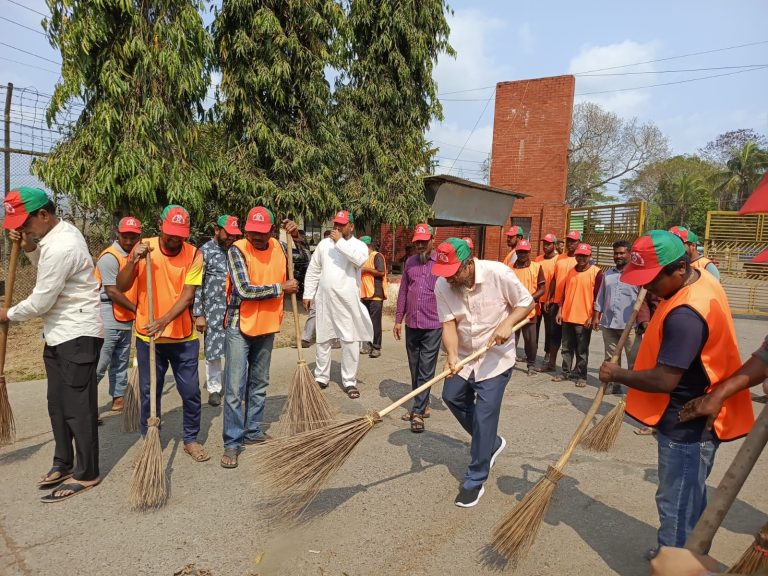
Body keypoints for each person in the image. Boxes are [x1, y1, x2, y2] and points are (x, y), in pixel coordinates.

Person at [598, 230, 753, 559]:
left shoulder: (686, 313)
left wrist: (617, 374)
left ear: (680, 269)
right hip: (697, 415)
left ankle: (674, 560)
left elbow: (666, 379)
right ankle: (686, 553)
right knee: (690, 498)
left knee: (677, 503)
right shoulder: (702, 281)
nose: (646, 287)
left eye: (652, 279)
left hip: (686, 423)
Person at [0, 187, 103, 502]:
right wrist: (30, 245)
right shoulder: (54, 237)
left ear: (43, 214)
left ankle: (87, 474)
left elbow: (42, 300)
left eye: (25, 223)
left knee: (78, 409)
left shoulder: (64, 245)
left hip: (78, 334)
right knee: (57, 405)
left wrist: (8, 313)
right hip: (58, 334)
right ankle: (64, 462)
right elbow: (43, 261)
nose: (21, 229)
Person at [433, 238, 534, 507]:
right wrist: (452, 356)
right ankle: (490, 442)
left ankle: (474, 479)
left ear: (469, 263)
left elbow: (527, 302)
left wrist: (508, 322)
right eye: (445, 273)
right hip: (466, 356)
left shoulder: (498, 273)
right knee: (451, 396)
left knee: (485, 414)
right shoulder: (442, 284)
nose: (449, 279)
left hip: (496, 359)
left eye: (454, 271)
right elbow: (449, 324)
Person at [117, 204, 210, 463]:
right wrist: (134, 259)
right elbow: (122, 285)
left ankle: (190, 439)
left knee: (191, 392)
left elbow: (188, 295)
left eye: (180, 235)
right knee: (150, 392)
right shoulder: (144, 248)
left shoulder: (194, 254)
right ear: (160, 226)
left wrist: (164, 320)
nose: (174, 239)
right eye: (170, 234)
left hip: (183, 338)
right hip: (150, 339)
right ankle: (150, 439)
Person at [220, 207, 299, 468]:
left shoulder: (279, 245)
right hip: (238, 326)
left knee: (259, 383)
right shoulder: (237, 250)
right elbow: (243, 290)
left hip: (266, 324)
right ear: (246, 230)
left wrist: (296, 238)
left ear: (271, 231)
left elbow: (299, 260)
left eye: (262, 233)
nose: (256, 237)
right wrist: (280, 288)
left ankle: (253, 431)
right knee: (234, 387)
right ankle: (232, 442)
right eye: (252, 232)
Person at [303, 210, 373, 398]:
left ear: (351, 226)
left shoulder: (359, 246)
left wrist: (339, 242)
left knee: (350, 340)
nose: (337, 227)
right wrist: (308, 293)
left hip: (347, 301)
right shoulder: (324, 245)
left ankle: (349, 381)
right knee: (323, 339)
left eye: (342, 224)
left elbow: (359, 261)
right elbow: (314, 269)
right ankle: (321, 377)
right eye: (336, 224)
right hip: (325, 300)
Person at [394, 223, 442, 433]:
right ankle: (422, 403)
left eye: (424, 241)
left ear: (432, 240)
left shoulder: (441, 262)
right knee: (415, 367)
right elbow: (404, 291)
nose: (421, 245)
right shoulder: (410, 263)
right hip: (412, 323)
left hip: (433, 324)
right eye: (417, 242)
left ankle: (418, 412)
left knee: (426, 368)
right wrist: (398, 319)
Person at [192, 215, 241, 407]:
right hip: (212, 311)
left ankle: (232, 386)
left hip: (235, 310)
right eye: (228, 234)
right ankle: (214, 388)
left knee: (235, 350)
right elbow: (196, 285)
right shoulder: (203, 252)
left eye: (235, 235)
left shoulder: (236, 251)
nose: (231, 238)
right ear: (216, 229)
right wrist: (199, 314)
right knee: (213, 352)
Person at [93, 216, 141, 413]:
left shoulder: (136, 255)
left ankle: (118, 398)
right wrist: (137, 310)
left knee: (121, 360)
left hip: (125, 316)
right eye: (125, 237)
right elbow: (112, 291)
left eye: (133, 237)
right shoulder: (110, 257)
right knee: (101, 362)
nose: (128, 241)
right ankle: (85, 403)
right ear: (118, 234)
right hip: (108, 314)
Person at [591, 240, 650, 394]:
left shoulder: (637, 275)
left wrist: (644, 320)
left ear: (630, 254)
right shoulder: (608, 274)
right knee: (610, 358)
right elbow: (601, 297)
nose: (618, 256)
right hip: (609, 323)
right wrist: (597, 316)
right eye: (616, 253)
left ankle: (634, 391)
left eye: (622, 253)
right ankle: (612, 385)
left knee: (633, 359)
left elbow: (645, 300)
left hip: (630, 326)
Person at [555, 243, 603, 387]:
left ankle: (582, 376)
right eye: (579, 255)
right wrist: (560, 310)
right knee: (566, 347)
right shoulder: (570, 271)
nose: (581, 258)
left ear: (590, 256)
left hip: (584, 319)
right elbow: (564, 293)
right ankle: (565, 372)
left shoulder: (596, 272)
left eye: (584, 255)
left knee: (582, 350)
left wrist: (593, 316)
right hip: (567, 316)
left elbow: (599, 297)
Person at [295, 230, 339, 350]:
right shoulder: (320, 251)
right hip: (318, 289)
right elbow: (313, 271)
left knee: (334, 313)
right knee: (314, 312)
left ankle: (336, 338)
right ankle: (305, 338)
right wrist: (308, 293)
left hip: (334, 290)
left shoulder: (339, 253)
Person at [511, 239, 545, 374]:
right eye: (519, 252)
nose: (522, 255)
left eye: (525, 252)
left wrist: (530, 299)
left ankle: (531, 364)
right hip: (513, 310)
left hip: (529, 311)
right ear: (516, 252)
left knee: (530, 340)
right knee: (511, 338)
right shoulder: (510, 267)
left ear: (529, 252)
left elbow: (542, 288)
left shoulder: (537, 267)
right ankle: (508, 362)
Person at [360, 235, 388, 359]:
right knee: (365, 322)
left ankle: (376, 347)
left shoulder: (377, 256)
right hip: (364, 294)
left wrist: (366, 269)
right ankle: (368, 345)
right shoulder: (362, 257)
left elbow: (381, 272)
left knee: (375, 322)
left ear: (368, 246)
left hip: (375, 294)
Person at [534, 233, 558, 372]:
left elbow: (556, 281)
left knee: (550, 330)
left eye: (548, 244)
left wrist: (550, 298)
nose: (545, 246)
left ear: (554, 245)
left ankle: (548, 354)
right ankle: (532, 352)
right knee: (534, 328)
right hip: (538, 300)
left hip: (550, 301)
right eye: (544, 243)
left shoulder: (558, 260)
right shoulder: (537, 259)